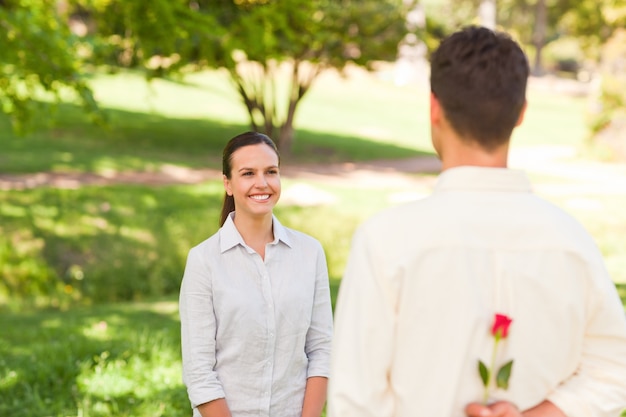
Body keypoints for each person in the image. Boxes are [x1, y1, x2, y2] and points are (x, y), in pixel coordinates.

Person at [327, 26, 626, 417]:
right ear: (521, 113)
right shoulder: (571, 240)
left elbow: (356, 402)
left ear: (434, 108)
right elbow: (614, 368)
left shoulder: (385, 242)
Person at [179, 131, 333, 417]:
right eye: (248, 173)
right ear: (228, 183)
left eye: (271, 172)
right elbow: (199, 372)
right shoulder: (203, 260)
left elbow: (322, 350)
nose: (262, 183)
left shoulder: (310, 253)